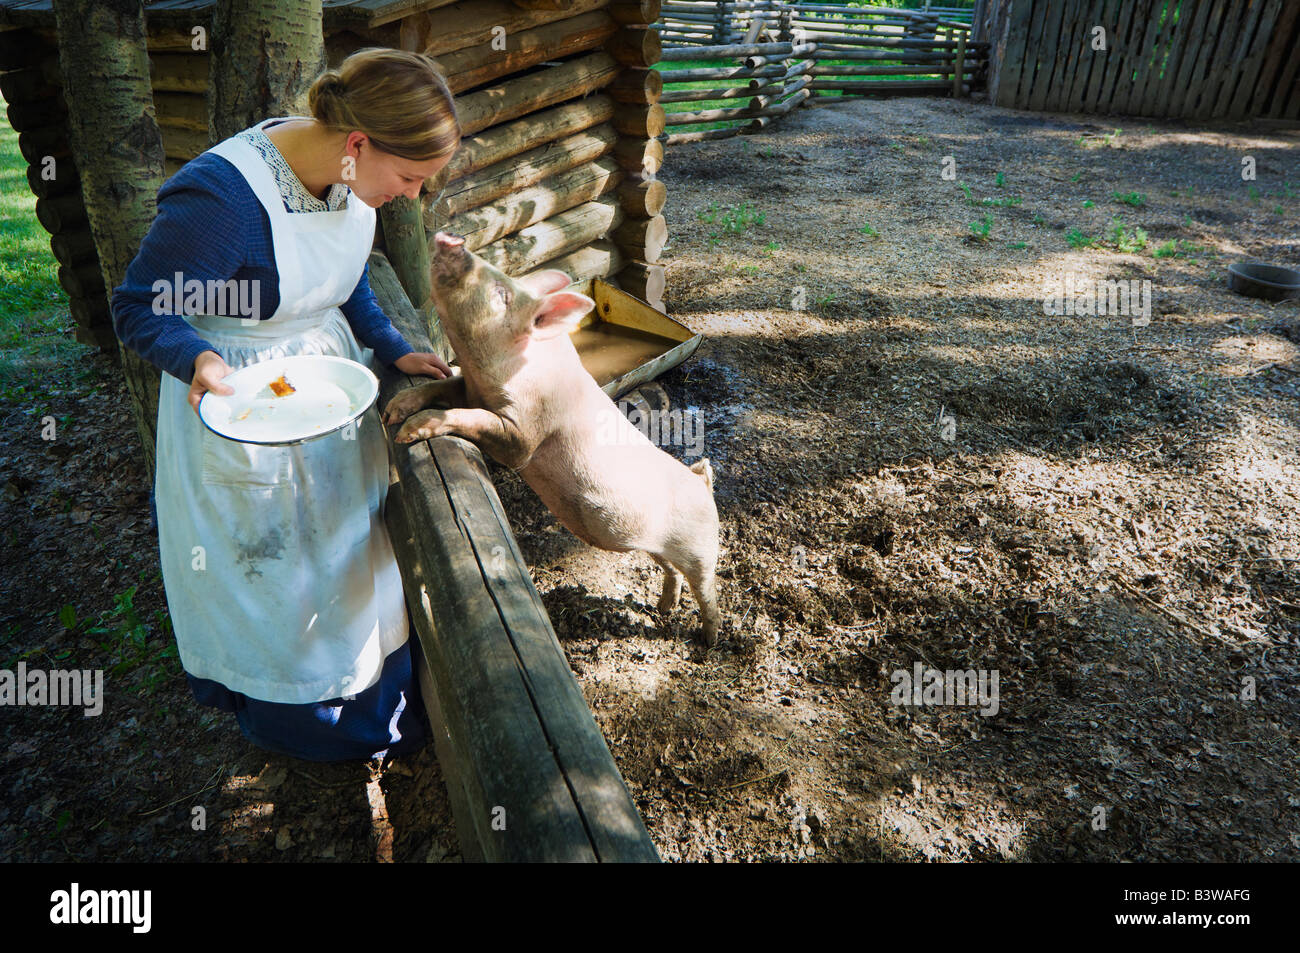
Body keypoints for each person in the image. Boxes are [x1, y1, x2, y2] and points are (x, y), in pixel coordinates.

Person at [110, 48, 460, 762]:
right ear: (359, 144)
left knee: (347, 551)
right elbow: (140, 304)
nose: (413, 196)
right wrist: (197, 358)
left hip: (326, 390)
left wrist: (391, 344)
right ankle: (302, 722)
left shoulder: (345, 177)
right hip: (245, 401)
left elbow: (344, 270)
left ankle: (377, 697)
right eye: (412, 177)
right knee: (276, 570)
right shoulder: (223, 198)